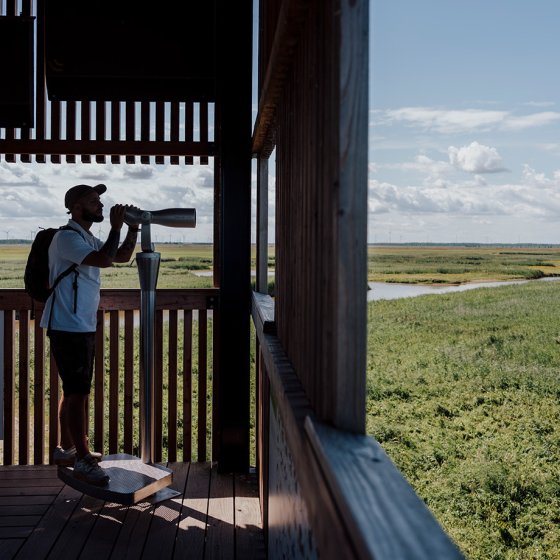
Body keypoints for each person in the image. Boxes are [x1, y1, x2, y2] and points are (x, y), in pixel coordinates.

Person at [40, 184, 140, 486]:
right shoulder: (66, 238)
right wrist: (114, 226)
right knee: (78, 391)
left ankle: (69, 450)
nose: (100, 205)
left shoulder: (85, 237)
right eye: (93, 201)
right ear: (75, 207)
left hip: (79, 324)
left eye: (100, 200)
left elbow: (119, 256)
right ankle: (82, 460)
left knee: (74, 390)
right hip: (66, 324)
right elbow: (103, 260)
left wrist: (132, 230)